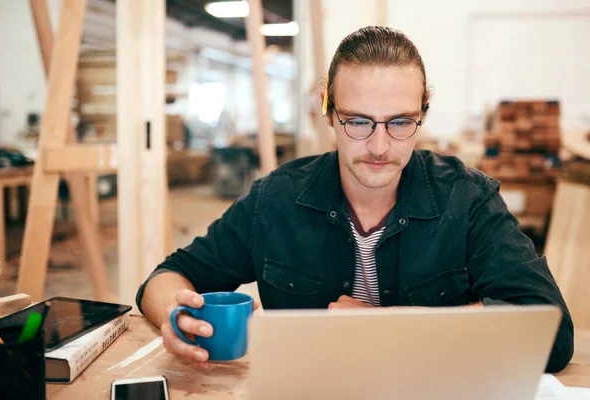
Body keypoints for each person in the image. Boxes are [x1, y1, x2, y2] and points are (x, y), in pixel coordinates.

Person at [136, 26, 573, 372]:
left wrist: (387, 328)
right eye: (359, 122)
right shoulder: (277, 198)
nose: (380, 146)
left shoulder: (468, 198)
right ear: (329, 112)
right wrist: (174, 318)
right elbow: (168, 277)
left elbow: (551, 332)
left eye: (401, 122)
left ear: (423, 111)